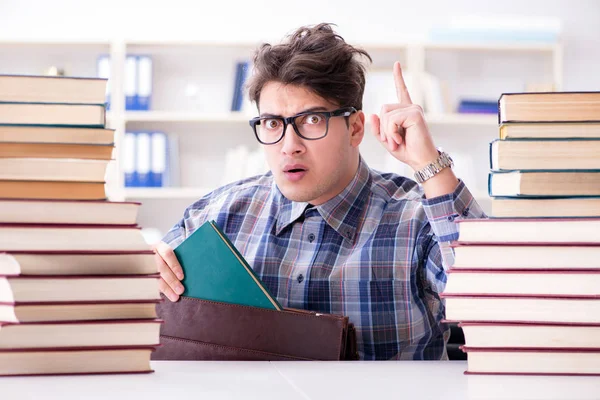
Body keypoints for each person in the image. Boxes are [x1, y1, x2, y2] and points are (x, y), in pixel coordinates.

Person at [154, 23, 485, 360]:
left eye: (311, 120)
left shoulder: (415, 219)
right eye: (272, 123)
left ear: (355, 128)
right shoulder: (217, 214)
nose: (289, 146)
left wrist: (430, 164)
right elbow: (147, 306)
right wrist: (145, 276)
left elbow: (491, 300)